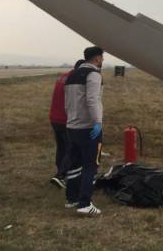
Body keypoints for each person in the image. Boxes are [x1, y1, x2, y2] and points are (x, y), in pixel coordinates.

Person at [63, 46, 105, 215]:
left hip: (72, 126)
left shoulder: (71, 75)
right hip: (88, 128)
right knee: (90, 166)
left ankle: (71, 199)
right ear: (96, 58)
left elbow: (67, 103)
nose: (102, 60)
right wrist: (97, 122)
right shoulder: (93, 74)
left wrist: (71, 119)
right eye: (102, 57)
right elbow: (93, 100)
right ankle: (85, 204)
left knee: (74, 164)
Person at [48, 59, 85, 189]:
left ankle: (60, 172)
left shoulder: (63, 77)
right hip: (66, 120)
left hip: (54, 118)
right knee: (72, 148)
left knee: (61, 147)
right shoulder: (75, 80)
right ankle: (61, 175)